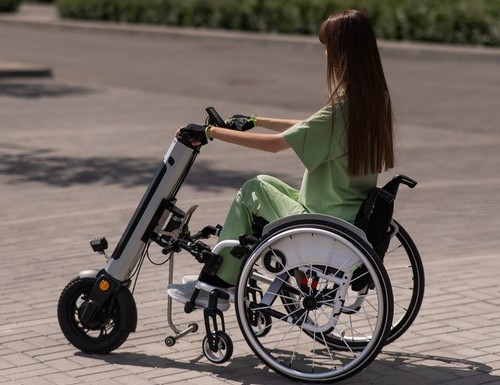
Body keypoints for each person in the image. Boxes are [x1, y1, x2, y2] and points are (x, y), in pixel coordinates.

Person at [168, 9, 395, 310]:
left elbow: (276, 145)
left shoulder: (343, 108)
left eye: (329, 47)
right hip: (348, 215)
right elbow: (307, 127)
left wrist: (211, 132)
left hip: (323, 221)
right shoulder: (374, 99)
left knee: (252, 190)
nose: (326, 54)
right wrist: (256, 120)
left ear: (343, 52)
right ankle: (230, 274)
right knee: (264, 183)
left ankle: (218, 285)